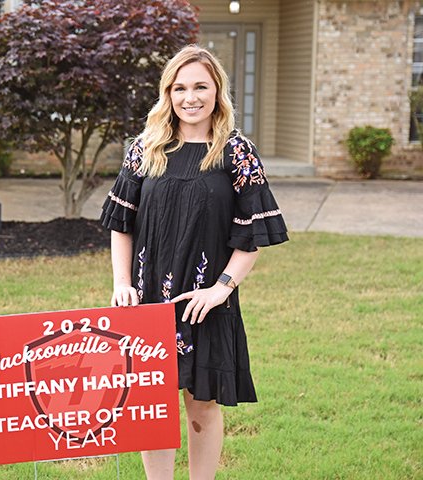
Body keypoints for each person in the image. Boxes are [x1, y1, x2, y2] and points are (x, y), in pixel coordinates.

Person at [100, 44, 289, 479]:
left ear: (217, 91)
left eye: (201, 86)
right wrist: (121, 281)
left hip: (205, 300)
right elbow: (121, 223)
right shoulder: (144, 149)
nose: (190, 97)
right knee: (153, 402)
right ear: (167, 93)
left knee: (201, 404)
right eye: (180, 87)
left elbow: (251, 235)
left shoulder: (237, 153)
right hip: (146, 301)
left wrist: (221, 287)